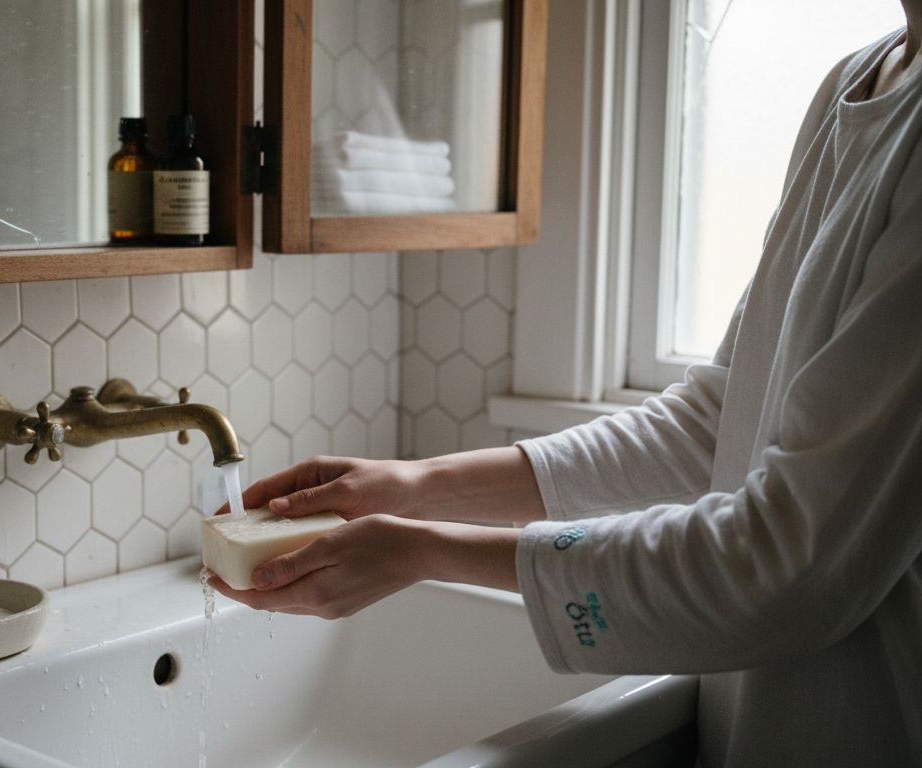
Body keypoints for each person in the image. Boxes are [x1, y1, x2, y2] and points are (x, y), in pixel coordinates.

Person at [210, 6, 922, 766]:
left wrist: (421, 552)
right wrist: (414, 486)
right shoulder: (854, 81)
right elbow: (717, 419)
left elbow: (788, 561)